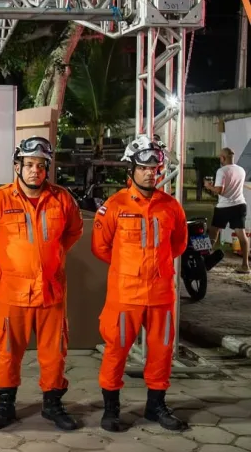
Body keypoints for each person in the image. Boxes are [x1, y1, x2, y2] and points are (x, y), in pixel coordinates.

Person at [0, 136, 83, 431]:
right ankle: (5, 404)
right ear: (17, 167)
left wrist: (52, 259)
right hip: (13, 292)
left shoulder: (62, 199)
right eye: (29, 164)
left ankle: (53, 404)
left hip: (52, 291)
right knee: (9, 350)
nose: (35, 170)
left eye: (41, 165)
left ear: (47, 168)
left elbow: (72, 232)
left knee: (54, 351)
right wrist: (9, 264)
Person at [92, 135, 189, 432]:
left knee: (161, 351)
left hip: (161, 294)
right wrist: (129, 268)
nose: (150, 172)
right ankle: (111, 409)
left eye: (155, 168)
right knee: (116, 350)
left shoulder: (171, 207)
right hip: (125, 295)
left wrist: (152, 269)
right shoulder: (115, 205)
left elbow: (178, 245)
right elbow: (101, 246)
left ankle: (155, 406)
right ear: (131, 169)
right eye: (144, 167)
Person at [204, 147, 249, 273]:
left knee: (214, 232)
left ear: (223, 158)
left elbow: (220, 191)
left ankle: (206, 258)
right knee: (242, 235)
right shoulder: (241, 170)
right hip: (240, 204)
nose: (220, 159)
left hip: (224, 206)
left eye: (220, 157)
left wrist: (209, 186)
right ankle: (245, 265)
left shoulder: (222, 171)